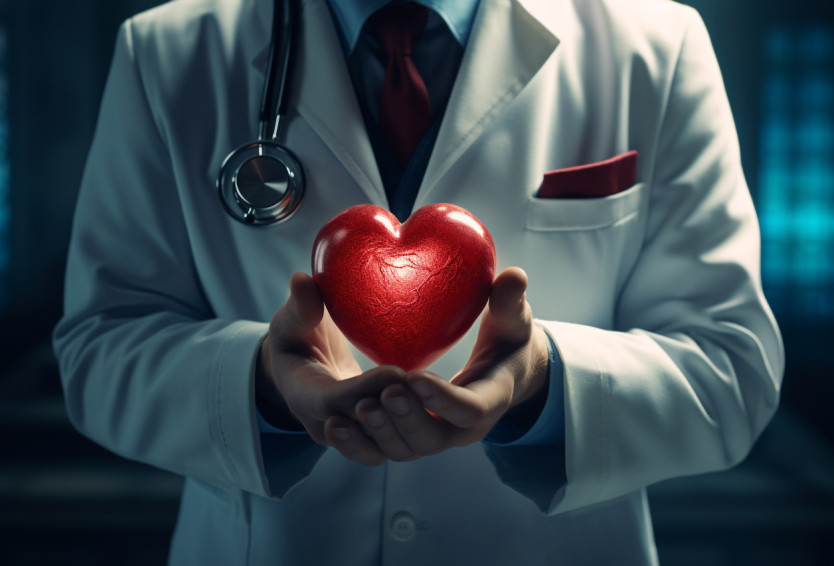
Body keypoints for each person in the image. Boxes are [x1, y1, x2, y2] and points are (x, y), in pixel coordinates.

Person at [53, 0, 785, 564]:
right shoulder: (166, 51)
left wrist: (541, 385)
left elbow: (732, 369)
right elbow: (99, 350)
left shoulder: (654, 45)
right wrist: (264, 387)